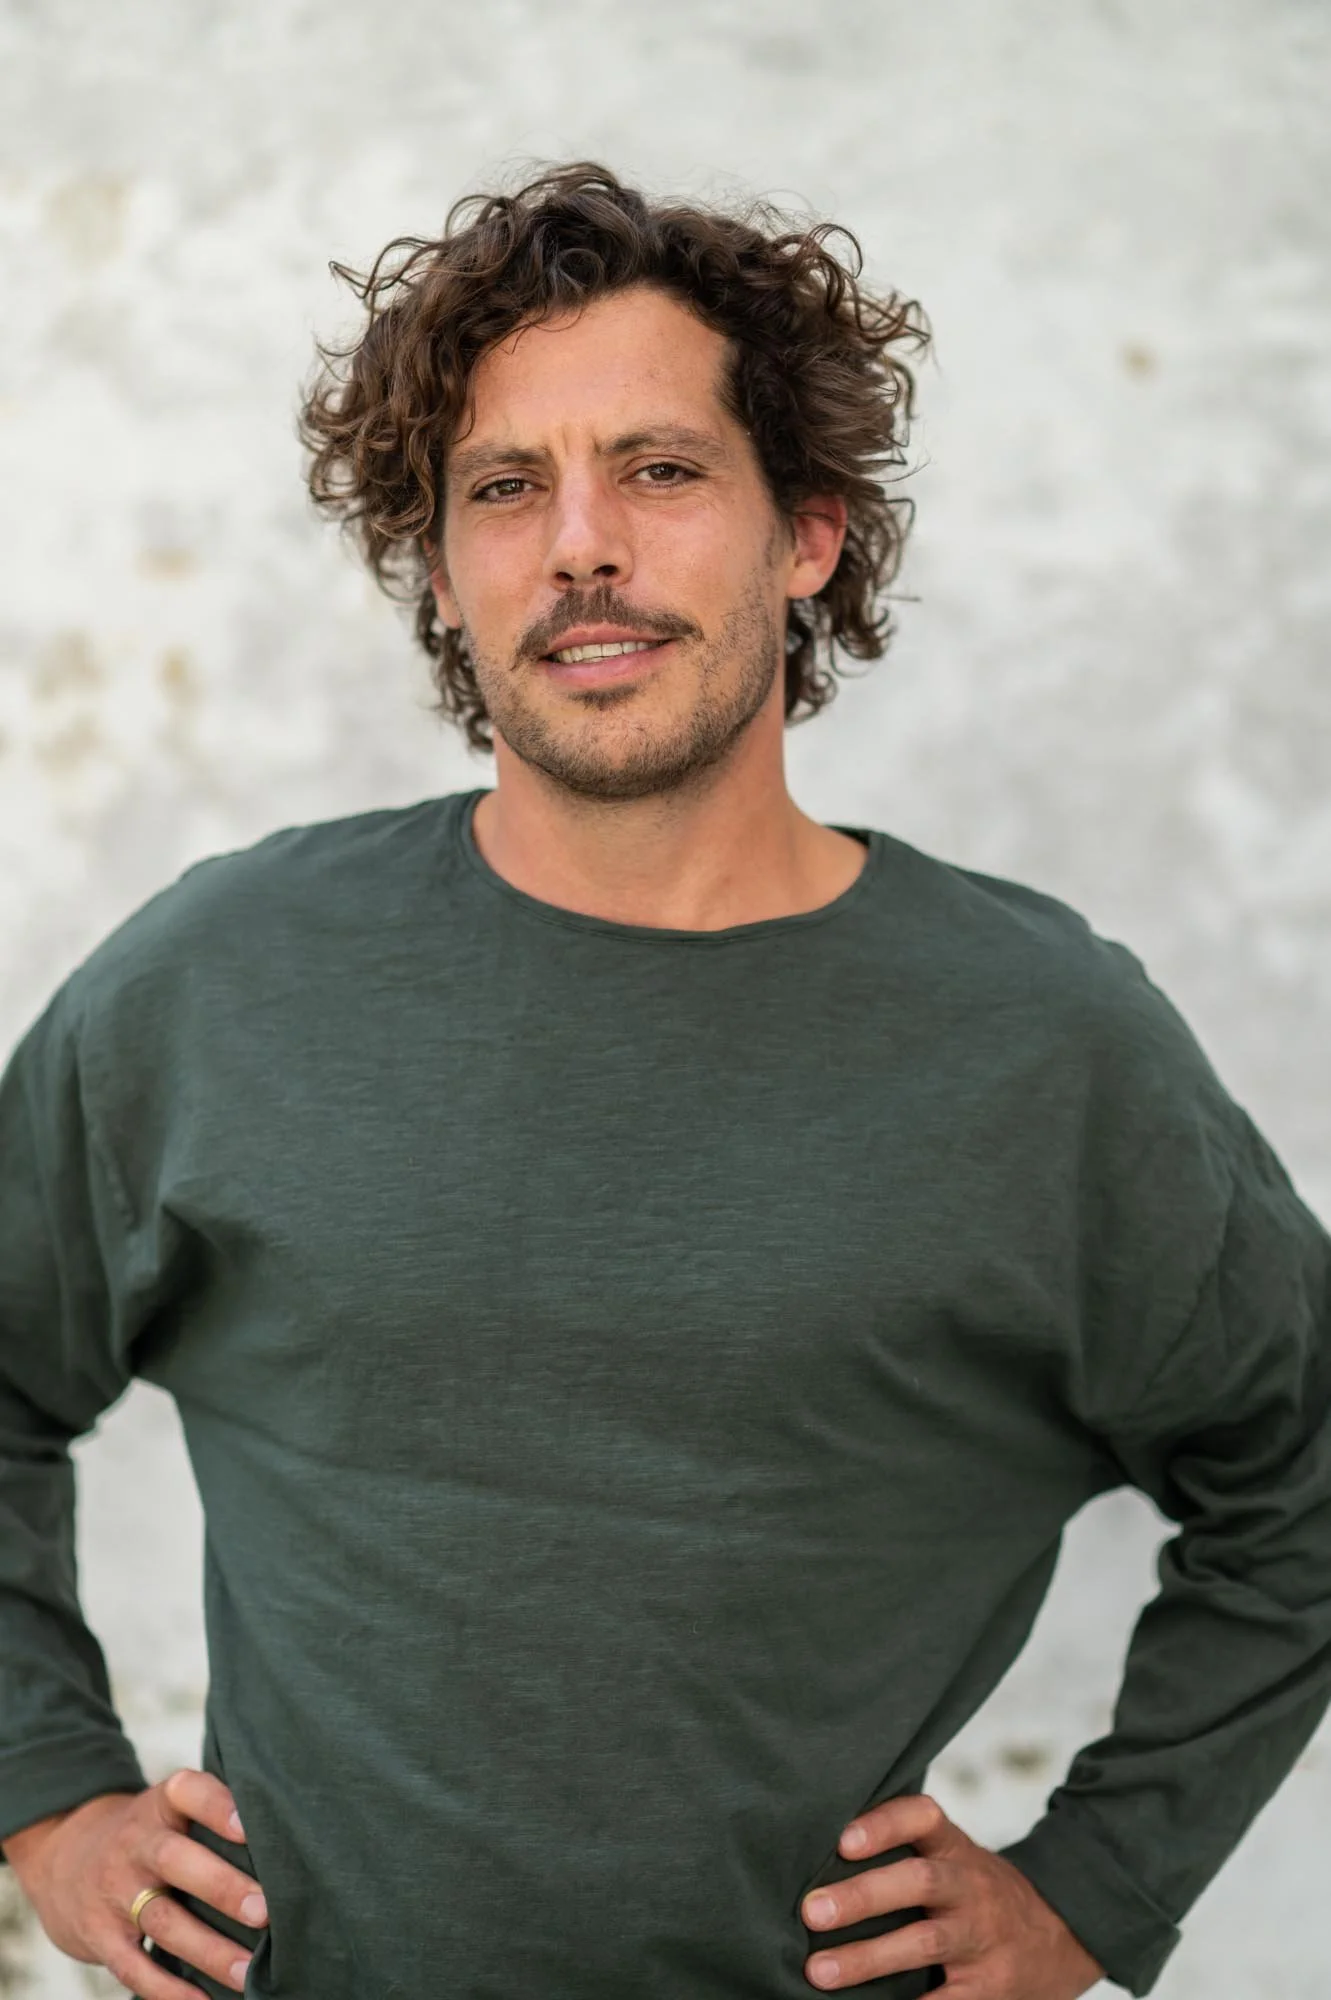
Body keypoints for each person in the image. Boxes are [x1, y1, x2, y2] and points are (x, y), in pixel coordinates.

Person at [0, 161, 1327, 2000]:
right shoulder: (219, 983)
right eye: (503, 488)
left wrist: (1097, 1884)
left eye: (661, 469)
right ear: (440, 567)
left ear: (808, 536)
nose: (579, 545)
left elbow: (1301, 1473)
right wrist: (49, 1798)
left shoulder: (1046, 1048)